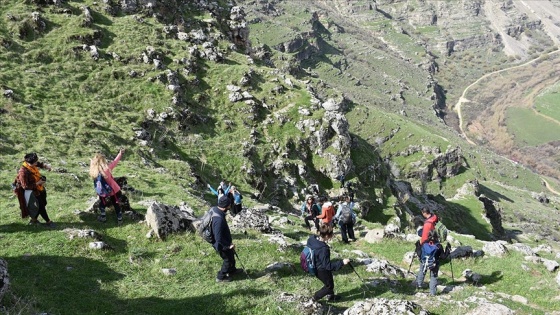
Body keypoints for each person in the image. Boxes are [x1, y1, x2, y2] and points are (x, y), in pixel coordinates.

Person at [307, 223, 351, 302]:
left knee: (329, 279)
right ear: (327, 236)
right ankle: (314, 298)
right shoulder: (324, 249)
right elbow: (328, 266)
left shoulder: (312, 239)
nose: (332, 236)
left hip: (312, 264)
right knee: (329, 286)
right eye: (331, 234)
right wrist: (342, 262)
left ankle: (331, 296)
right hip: (320, 269)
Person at [17, 153, 56, 227]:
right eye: (35, 162)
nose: (36, 163)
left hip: (39, 188)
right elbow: (25, 186)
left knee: (43, 202)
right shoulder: (23, 172)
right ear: (29, 163)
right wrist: (38, 183)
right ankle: (48, 222)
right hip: (32, 191)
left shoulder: (30, 164)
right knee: (41, 206)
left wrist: (45, 166)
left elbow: (37, 164)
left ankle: (34, 220)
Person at [89, 149, 125, 225]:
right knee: (116, 204)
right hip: (114, 190)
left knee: (102, 204)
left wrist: (91, 163)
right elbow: (115, 162)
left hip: (102, 191)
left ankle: (103, 217)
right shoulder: (107, 169)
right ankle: (120, 219)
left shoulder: (94, 172)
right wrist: (120, 154)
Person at [212, 195, 240, 282]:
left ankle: (232, 270)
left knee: (231, 256)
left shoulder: (216, 210)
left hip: (225, 241)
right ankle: (221, 277)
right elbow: (218, 238)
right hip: (221, 244)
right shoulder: (218, 220)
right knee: (227, 260)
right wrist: (227, 246)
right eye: (229, 204)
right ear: (226, 206)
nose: (230, 206)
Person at [416, 230, 446, 295]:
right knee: (433, 277)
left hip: (423, 261)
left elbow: (419, 254)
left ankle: (418, 286)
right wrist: (447, 250)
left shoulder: (424, 243)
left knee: (422, 271)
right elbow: (443, 257)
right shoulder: (438, 246)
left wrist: (417, 246)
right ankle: (432, 293)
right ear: (437, 236)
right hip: (434, 263)